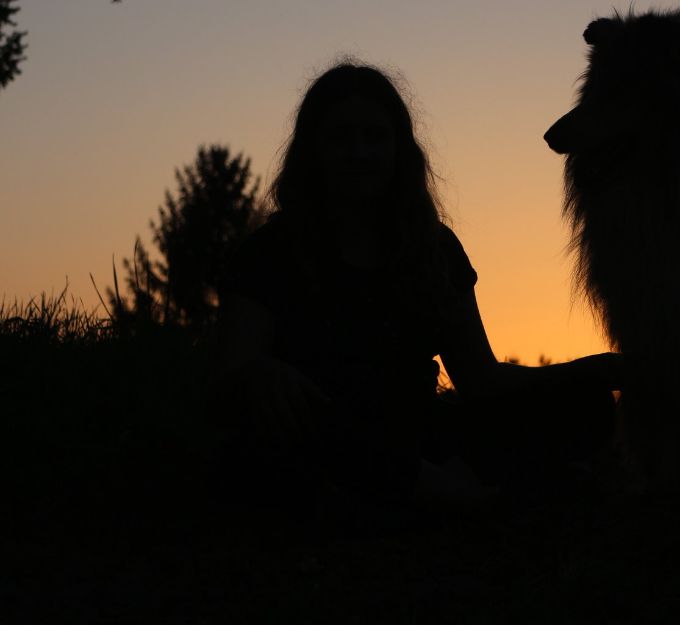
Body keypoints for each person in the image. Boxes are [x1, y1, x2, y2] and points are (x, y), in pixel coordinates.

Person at [209, 62, 621, 517]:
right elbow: (230, 379)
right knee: (279, 439)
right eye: (341, 138)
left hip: (417, 433)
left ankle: (437, 490)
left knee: (585, 404)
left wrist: (590, 371)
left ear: (399, 150)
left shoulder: (433, 249)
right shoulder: (269, 253)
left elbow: (482, 382)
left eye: (374, 137)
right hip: (323, 434)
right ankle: (451, 494)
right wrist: (260, 373)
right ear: (314, 151)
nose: (359, 152)